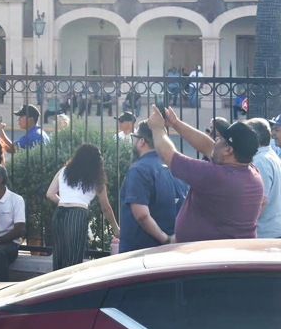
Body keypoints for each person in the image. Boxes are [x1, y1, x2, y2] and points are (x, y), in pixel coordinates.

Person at [147, 106, 263, 242]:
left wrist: (157, 129)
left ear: (228, 151)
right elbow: (208, 146)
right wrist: (175, 123)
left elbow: (168, 155)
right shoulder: (250, 172)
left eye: (220, 139)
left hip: (210, 258)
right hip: (225, 254)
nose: (215, 141)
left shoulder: (217, 176)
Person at [46, 143, 119, 269]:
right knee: (73, 259)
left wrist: (65, 201)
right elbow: (105, 207)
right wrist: (115, 227)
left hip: (59, 213)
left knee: (58, 256)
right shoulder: (96, 177)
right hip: (77, 214)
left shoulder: (64, 171)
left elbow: (50, 194)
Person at [118, 121, 185, 253]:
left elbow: (142, 215)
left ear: (141, 141)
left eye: (134, 137)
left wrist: (166, 240)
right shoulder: (175, 168)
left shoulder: (139, 170)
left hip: (141, 253)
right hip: (172, 253)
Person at [246, 118, 281, 238]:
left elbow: (261, 201)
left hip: (265, 234)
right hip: (272, 231)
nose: (273, 134)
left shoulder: (261, 161)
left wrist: (244, 227)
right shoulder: (269, 156)